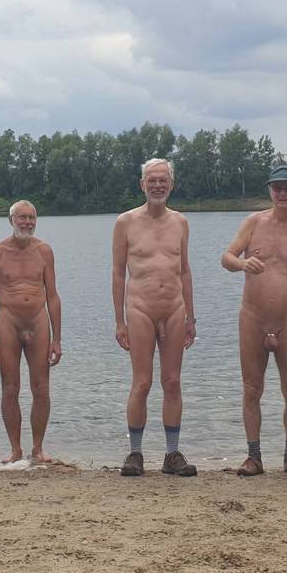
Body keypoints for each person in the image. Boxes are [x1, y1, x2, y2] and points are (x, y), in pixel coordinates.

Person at [221, 164, 287, 476]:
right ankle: (254, 457)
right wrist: (242, 264)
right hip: (252, 317)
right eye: (278, 188)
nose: (283, 193)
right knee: (252, 389)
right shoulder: (254, 222)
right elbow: (227, 258)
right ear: (270, 191)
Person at [112, 158, 198, 477]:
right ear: (142, 185)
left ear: (171, 185)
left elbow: (184, 270)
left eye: (163, 180)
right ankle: (135, 453)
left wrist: (191, 317)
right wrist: (119, 320)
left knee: (172, 381)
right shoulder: (126, 222)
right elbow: (118, 273)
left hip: (174, 308)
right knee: (142, 382)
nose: (158, 185)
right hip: (140, 308)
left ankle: (172, 454)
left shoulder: (180, 222)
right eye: (152, 180)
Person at [0, 200, 63, 464]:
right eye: (22, 217)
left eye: (31, 218)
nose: (27, 222)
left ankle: (37, 448)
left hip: (38, 320)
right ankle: (15, 449)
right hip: (8, 321)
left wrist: (57, 339)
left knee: (41, 387)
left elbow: (53, 296)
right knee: (10, 387)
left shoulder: (44, 251)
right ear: (11, 220)